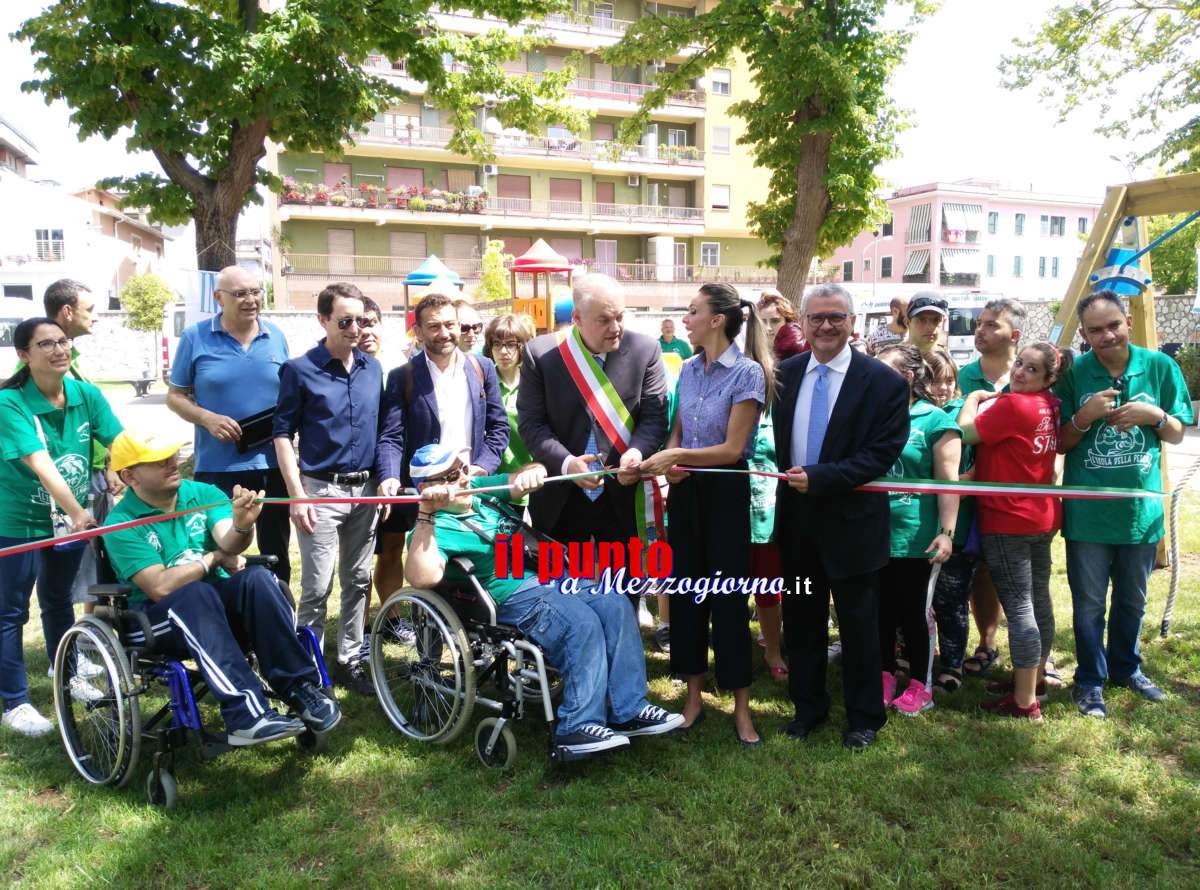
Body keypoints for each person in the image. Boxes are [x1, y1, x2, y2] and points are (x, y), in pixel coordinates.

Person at [402, 444, 684, 758]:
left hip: (546, 575)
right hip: (509, 596)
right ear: (428, 487)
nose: (465, 478)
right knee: (581, 622)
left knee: (615, 603)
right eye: (453, 475)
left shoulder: (478, 491)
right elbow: (421, 577)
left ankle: (629, 708)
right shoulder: (433, 529)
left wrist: (531, 472)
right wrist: (426, 511)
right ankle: (577, 726)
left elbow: (518, 477)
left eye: (464, 469)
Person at [103, 431, 340, 745]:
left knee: (257, 578)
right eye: (158, 461)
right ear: (129, 475)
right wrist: (213, 558)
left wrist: (242, 525)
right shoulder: (121, 523)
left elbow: (231, 540)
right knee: (195, 594)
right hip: (153, 622)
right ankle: (245, 714)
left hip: (209, 607)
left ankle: (301, 690)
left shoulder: (202, 493)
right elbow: (160, 586)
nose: (172, 463)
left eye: (172, 455)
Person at [773, 284, 909, 750]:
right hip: (797, 525)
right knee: (802, 624)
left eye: (836, 317)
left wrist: (823, 477)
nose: (826, 326)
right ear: (804, 324)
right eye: (817, 318)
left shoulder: (885, 382)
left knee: (860, 629)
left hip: (854, 525)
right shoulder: (785, 374)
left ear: (852, 323)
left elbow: (882, 452)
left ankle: (864, 718)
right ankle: (807, 708)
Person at [638, 284, 773, 746]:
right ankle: (692, 697)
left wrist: (679, 455)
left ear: (718, 319)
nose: (686, 318)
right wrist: (673, 465)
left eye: (693, 311)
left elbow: (734, 449)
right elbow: (678, 431)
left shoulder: (749, 373)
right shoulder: (689, 370)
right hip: (687, 495)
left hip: (726, 494)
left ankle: (741, 708)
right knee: (687, 596)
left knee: (730, 603)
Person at [1055, 290, 1192, 718]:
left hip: (1140, 513)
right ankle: (1090, 681)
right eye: (1095, 330)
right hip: (1088, 515)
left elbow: (1177, 432)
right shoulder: (1074, 374)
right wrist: (1084, 416)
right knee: (1090, 603)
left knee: (1133, 600)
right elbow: (1057, 441)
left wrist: (1153, 416)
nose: (1107, 335)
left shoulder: (1160, 366)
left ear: (1127, 320)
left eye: (1113, 324)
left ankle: (1127, 669)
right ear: (1084, 334)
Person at [0, 318, 123, 737]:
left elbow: (120, 442)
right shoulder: (10, 403)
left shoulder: (85, 394)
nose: (59, 349)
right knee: (10, 612)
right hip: (16, 521)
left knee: (57, 601)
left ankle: (67, 675)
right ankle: (15, 702)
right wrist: (78, 513)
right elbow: (41, 463)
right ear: (24, 355)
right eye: (46, 344)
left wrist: (130, 469)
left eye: (63, 341)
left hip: (66, 521)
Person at [273, 282, 383, 695]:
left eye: (362, 320)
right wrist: (296, 493)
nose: (356, 328)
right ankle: (308, 667)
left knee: (358, 580)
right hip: (320, 491)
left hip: (367, 491)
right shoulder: (300, 370)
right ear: (322, 320)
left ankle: (349, 660)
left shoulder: (373, 369)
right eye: (346, 321)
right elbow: (282, 435)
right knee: (317, 586)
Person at [957, 342, 1068, 721]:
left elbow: (966, 432)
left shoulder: (1013, 404)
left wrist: (972, 397)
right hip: (1041, 516)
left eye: (1032, 370)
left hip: (1008, 519)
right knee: (1039, 600)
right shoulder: (1049, 405)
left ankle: (1024, 703)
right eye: (1020, 364)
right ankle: (1031, 682)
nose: (1020, 372)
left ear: (1050, 378)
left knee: (1021, 608)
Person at [376, 293, 508, 610]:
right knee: (415, 561)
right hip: (423, 486)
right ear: (418, 332)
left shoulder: (482, 368)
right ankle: (411, 632)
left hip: (466, 484)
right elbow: (391, 435)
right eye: (434, 326)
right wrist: (390, 476)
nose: (445, 332)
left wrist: (483, 468)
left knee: (463, 562)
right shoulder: (402, 376)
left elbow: (499, 427)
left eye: (450, 324)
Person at [517, 273, 668, 549]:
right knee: (558, 589)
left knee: (624, 590)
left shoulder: (645, 350)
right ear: (577, 317)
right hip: (560, 498)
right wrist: (567, 464)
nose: (616, 327)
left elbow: (654, 419)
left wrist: (635, 452)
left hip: (623, 497)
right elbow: (531, 425)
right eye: (604, 320)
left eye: (620, 317)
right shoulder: (540, 354)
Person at [167, 266, 292, 583]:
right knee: (219, 551)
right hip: (217, 467)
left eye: (255, 291)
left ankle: (277, 617)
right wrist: (206, 418)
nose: (251, 300)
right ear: (218, 297)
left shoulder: (275, 335)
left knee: (275, 552)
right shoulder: (196, 337)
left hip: (271, 465)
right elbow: (175, 396)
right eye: (240, 294)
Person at [874, 345, 961, 716]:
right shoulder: (872, 418)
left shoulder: (935, 422)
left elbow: (950, 485)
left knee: (914, 612)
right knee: (879, 611)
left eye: (883, 372)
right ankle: (883, 675)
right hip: (874, 535)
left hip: (917, 538)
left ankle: (920, 684)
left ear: (907, 377)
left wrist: (947, 532)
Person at [39, 279, 124, 602]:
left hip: (95, 478)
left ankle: (92, 634)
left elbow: (100, 427)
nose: (96, 316)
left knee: (99, 565)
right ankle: (84, 640)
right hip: (66, 486)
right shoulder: (40, 371)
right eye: (90, 309)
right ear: (67, 311)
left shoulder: (73, 363)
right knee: (79, 574)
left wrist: (112, 464)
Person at [957, 299, 1027, 680]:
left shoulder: (1032, 376)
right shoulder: (963, 376)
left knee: (1018, 574)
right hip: (970, 491)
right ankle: (985, 642)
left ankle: (1028, 652)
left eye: (991, 325)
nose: (979, 330)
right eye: (979, 323)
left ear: (1014, 335)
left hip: (1019, 498)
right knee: (976, 567)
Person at [923, 348, 978, 694]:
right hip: (916, 526)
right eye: (935, 380)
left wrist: (954, 482)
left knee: (952, 598)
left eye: (949, 381)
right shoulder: (911, 414)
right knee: (915, 597)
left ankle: (953, 662)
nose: (942, 388)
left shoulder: (965, 416)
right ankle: (908, 656)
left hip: (957, 527)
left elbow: (978, 470)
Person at [483, 313, 537, 498]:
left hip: (530, 478)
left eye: (511, 344)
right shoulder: (481, 383)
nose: (504, 351)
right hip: (492, 480)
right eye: (497, 344)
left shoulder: (534, 383)